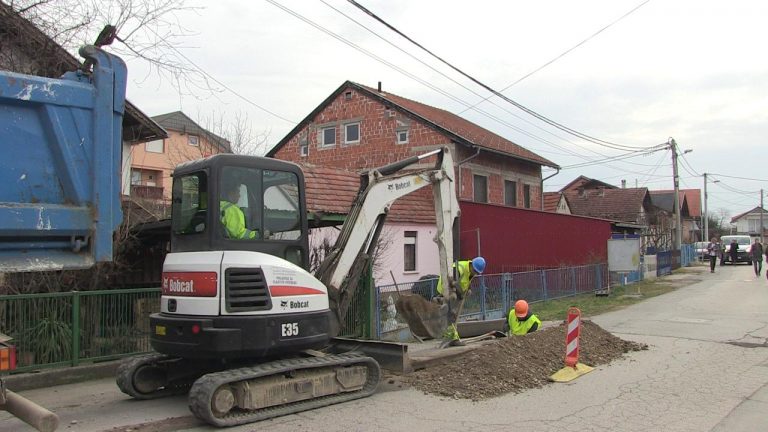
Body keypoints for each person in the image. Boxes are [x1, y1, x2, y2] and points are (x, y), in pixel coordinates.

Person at [435, 257, 486, 345]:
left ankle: (451, 337)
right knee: (452, 311)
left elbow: (466, 281)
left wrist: (468, 289)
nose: (476, 274)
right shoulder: (459, 268)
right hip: (446, 287)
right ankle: (440, 299)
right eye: (475, 271)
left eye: (477, 273)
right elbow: (452, 283)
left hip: (457, 292)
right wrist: (460, 294)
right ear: (472, 266)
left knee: (453, 315)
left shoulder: (470, 271)